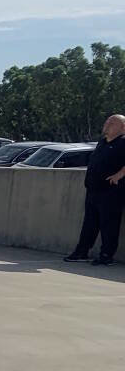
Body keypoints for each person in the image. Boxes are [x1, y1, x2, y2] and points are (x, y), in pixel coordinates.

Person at [65, 114, 125, 266]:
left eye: (112, 122)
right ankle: (81, 252)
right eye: (107, 121)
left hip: (111, 191)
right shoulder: (103, 142)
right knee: (89, 223)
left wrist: (118, 175)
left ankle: (106, 255)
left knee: (109, 225)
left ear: (122, 127)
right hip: (93, 189)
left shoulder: (123, 142)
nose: (107, 124)